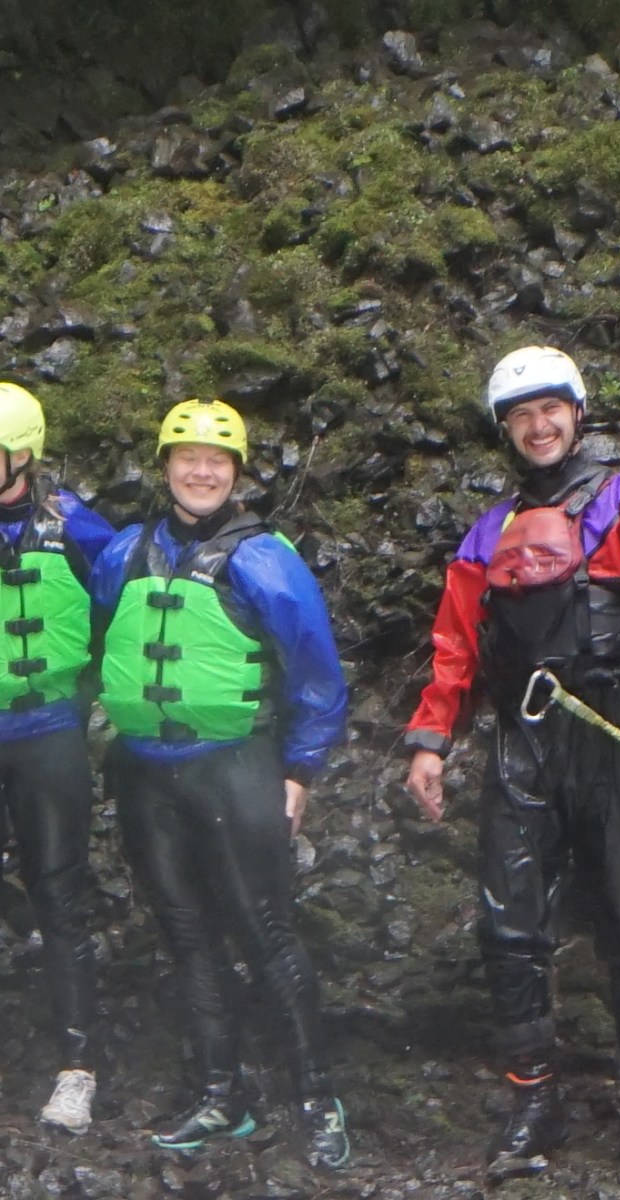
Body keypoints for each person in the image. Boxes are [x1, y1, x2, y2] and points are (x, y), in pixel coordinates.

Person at [404, 345, 620, 1178]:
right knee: (509, 925)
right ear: (506, 431)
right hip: (523, 740)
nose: (539, 427)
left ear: (577, 415)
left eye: (551, 411)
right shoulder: (488, 531)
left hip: (613, 730)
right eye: (521, 417)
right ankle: (533, 1102)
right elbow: (454, 647)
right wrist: (432, 742)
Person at [88, 397, 351, 1169]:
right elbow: (111, 634)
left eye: (218, 461)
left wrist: (301, 768)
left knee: (265, 932)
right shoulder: (125, 553)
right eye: (188, 457)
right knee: (187, 936)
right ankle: (218, 1096)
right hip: (147, 773)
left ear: (235, 474)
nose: (202, 471)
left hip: (235, 767)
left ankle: (317, 1098)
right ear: (165, 465)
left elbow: (315, 671)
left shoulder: (265, 558)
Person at [0, 382, 114, 1135]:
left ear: (24, 453)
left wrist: (98, 696)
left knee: (60, 893)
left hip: (47, 732)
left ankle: (76, 1068)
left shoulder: (73, 525)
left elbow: (132, 603)